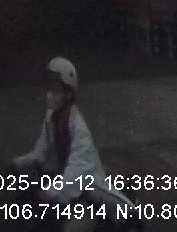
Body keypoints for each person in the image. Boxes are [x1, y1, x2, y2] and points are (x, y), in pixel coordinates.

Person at [12, 57, 113, 232]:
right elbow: (40, 152)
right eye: (49, 87)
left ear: (68, 94)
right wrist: (16, 163)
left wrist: (49, 192)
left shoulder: (79, 129)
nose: (49, 94)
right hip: (67, 186)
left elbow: (75, 173)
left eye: (56, 90)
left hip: (90, 195)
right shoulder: (51, 117)